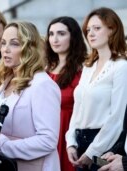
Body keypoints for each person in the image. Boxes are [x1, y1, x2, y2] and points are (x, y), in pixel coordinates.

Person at [0, 21, 61, 171]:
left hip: (35, 166)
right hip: (4, 165)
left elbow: (48, 140)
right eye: (3, 43)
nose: (6, 49)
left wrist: (3, 145)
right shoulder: (6, 79)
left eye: (15, 44)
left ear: (29, 48)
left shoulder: (42, 84)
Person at [66, 7, 127, 171]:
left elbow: (117, 118)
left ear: (112, 30)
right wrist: (71, 142)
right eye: (88, 30)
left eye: (97, 28)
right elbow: (77, 109)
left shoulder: (121, 67)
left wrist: (93, 151)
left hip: (105, 146)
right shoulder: (88, 66)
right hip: (80, 141)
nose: (90, 33)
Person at [45, 16, 87, 171]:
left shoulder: (84, 71)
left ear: (73, 37)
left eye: (61, 34)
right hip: (47, 136)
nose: (54, 39)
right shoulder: (44, 70)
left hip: (71, 137)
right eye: (51, 34)